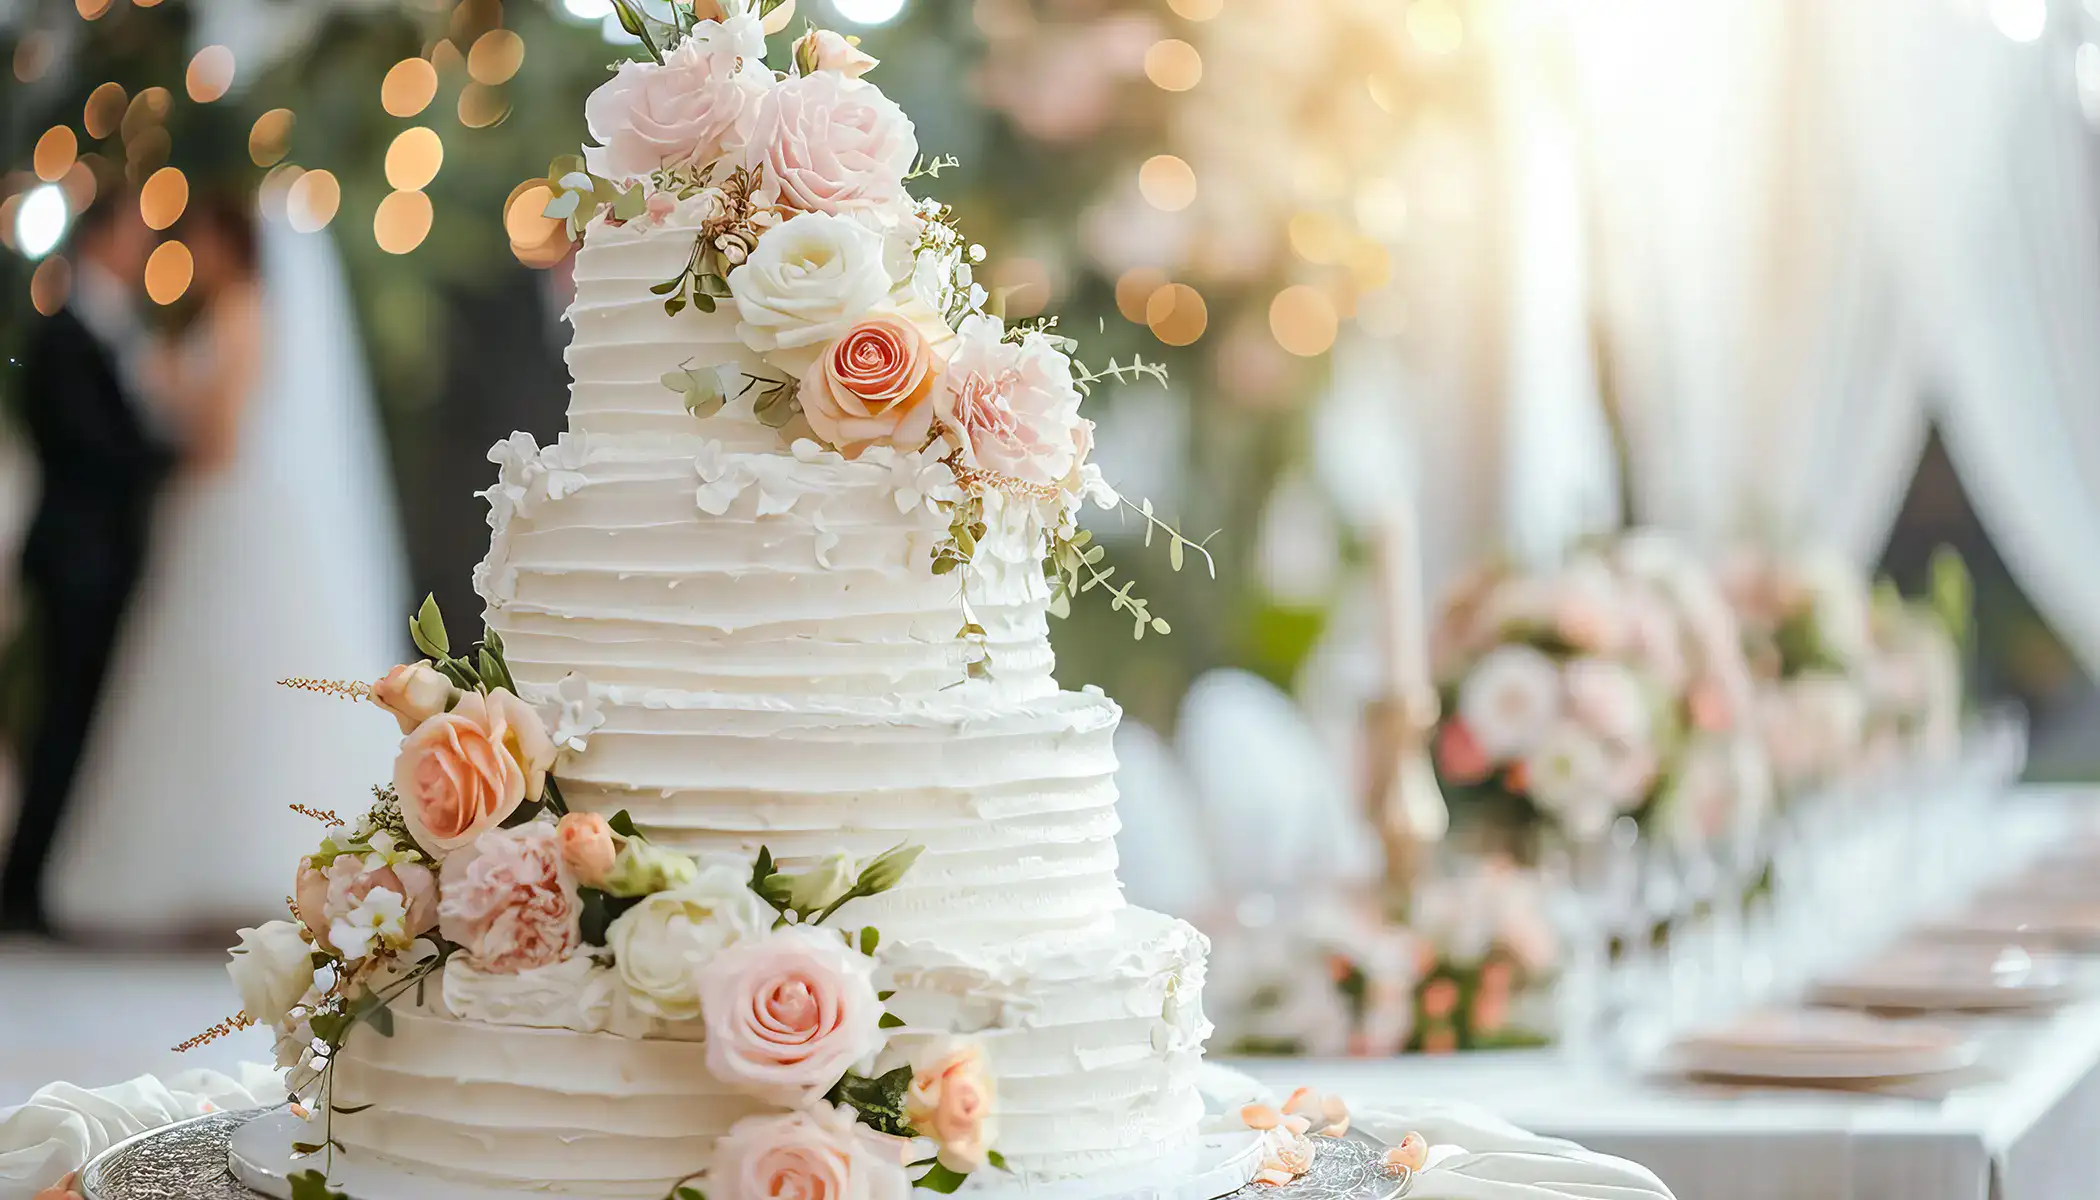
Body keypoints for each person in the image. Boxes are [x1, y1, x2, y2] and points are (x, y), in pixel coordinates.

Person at [45, 194, 406, 942]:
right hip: (228, 519)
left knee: (233, 688)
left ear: (232, 247)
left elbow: (219, 439)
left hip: (227, 516)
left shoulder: (241, 312)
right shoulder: (243, 314)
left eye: (203, 239)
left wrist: (164, 396)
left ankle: (243, 863)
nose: (192, 255)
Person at [2, 189, 175, 936]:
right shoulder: (62, 330)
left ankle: (40, 880)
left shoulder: (117, 325)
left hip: (103, 559)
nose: (143, 249)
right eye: (134, 234)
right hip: (76, 558)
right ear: (102, 236)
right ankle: (22, 887)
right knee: (61, 723)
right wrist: (166, 455)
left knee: (79, 724)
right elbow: (84, 446)